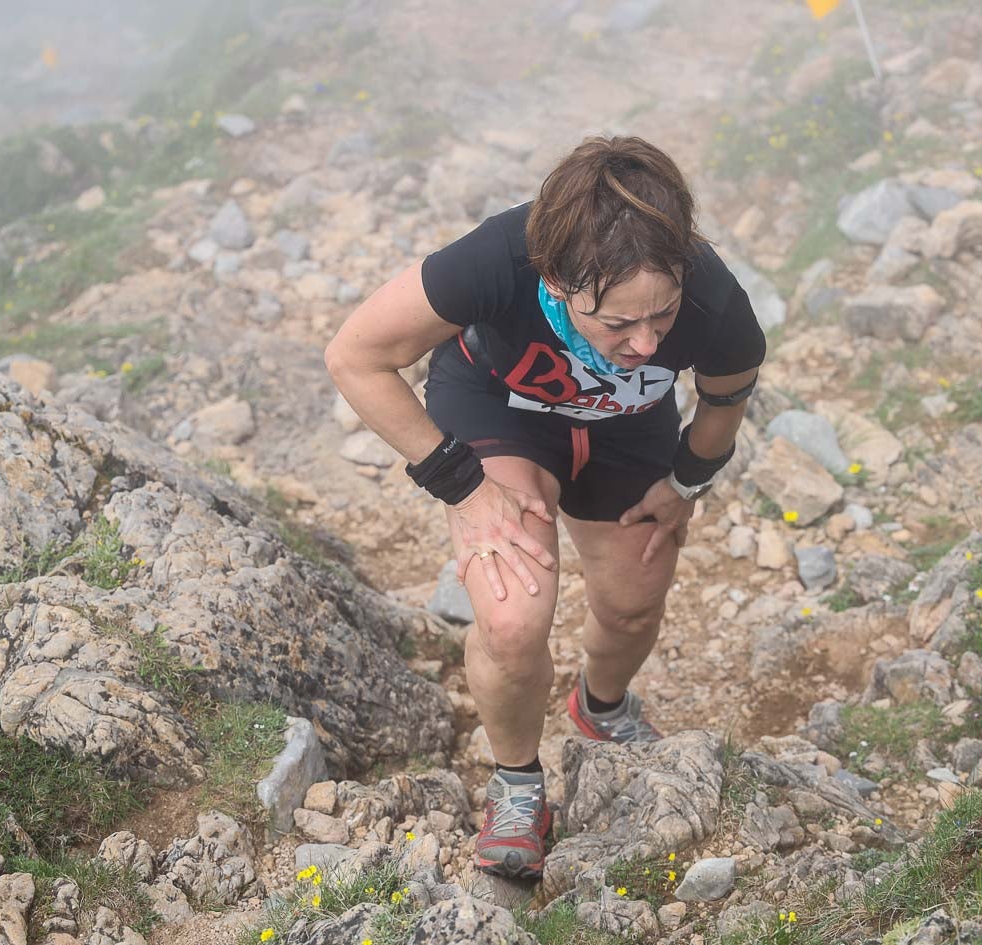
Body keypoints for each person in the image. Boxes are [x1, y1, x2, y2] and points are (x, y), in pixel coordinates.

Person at [324, 136, 765, 879]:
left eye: (660, 316)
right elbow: (355, 356)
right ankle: (518, 782)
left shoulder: (715, 299)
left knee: (632, 602)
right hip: (501, 409)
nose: (646, 340)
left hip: (628, 431)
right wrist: (460, 484)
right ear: (557, 281)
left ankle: (601, 704)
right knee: (511, 612)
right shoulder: (501, 256)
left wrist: (686, 483)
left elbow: (726, 396)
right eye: (617, 324)